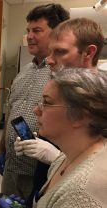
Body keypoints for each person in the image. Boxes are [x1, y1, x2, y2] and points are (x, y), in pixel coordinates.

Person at [0, 68, 107, 208]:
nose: (36, 110)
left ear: (80, 116)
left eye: (46, 103)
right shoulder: (65, 158)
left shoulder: (81, 196)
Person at [0, 4, 69, 203]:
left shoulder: (63, 74)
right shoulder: (23, 71)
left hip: (40, 171)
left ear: (56, 33)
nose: (29, 36)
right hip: (12, 166)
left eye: (37, 31)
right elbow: (11, 110)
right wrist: (2, 147)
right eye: (28, 30)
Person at [14, 18, 105, 165]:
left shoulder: (102, 100)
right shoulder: (59, 89)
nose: (49, 60)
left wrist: (57, 157)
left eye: (60, 52)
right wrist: (35, 142)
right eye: (50, 52)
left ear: (88, 53)